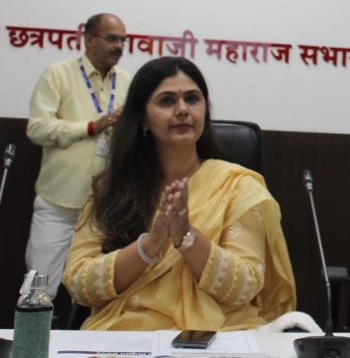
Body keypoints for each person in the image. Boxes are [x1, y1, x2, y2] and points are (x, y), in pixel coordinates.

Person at [62, 56, 296, 330]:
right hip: (126, 333)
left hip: (215, 335)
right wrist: (149, 246)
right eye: (167, 101)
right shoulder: (110, 189)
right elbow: (79, 284)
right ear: (142, 118)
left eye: (192, 99)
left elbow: (244, 286)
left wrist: (187, 237)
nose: (183, 109)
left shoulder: (238, 186)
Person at [25, 13, 132, 298]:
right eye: (111, 38)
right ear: (88, 39)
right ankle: (35, 328)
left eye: (123, 40)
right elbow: (37, 129)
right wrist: (90, 127)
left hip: (106, 207)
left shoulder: (128, 82)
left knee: (97, 289)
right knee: (39, 287)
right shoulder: (57, 74)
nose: (119, 46)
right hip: (59, 203)